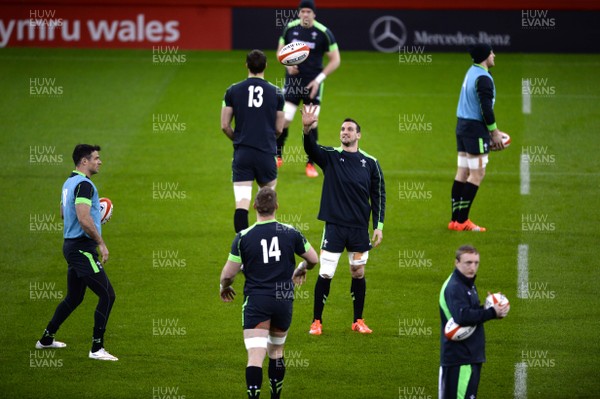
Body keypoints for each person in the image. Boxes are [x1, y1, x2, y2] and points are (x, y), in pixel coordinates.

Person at [220, 187, 318, 399]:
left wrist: (224, 286)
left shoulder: (243, 237)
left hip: (257, 299)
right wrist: (301, 269)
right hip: (283, 299)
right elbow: (313, 259)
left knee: (256, 356)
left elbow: (228, 274)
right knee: (276, 352)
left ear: (254, 206)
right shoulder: (290, 232)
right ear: (276, 207)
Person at [301, 104, 385, 335]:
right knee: (326, 273)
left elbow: (378, 195)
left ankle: (358, 320)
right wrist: (307, 131)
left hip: (359, 229)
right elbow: (311, 149)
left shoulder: (371, 163)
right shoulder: (330, 157)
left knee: (358, 273)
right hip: (335, 228)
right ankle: (316, 321)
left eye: (349, 129)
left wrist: (378, 226)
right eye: (342, 129)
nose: (345, 132)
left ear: (358, 135)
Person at [36, 144, 118, 361]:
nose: (100, 161)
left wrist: (93, 216)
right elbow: (82, 218)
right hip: (82, 249)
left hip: (70, 246)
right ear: (84, 161)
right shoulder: (84, 185)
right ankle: (96, 348)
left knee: (74, 297)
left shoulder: (68, 183)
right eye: (96, 158)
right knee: (107, 295)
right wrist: (100, 242)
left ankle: (46, 339)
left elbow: (64, 214)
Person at [221, 49, 285, 233]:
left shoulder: (232, 90)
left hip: (243, 154)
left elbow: (225, 125)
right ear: (266, 65)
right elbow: (279, 129)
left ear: (246, 65)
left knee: (242, 203)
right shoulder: (276, 93)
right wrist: (266, 140)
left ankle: (242, 253)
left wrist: (240, 140)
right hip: (266, 154)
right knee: (267, 204)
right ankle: (265, 246)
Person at [276, 0, 341, 178]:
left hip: (313, 85)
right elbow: (280, 52)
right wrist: (287, 65)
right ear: (299, 13)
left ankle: (310, 163)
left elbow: (335, 60)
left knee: (312, 123)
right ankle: (278, 154)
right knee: (285, 118)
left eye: (308, 12)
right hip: (293, 83)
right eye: (302, 11)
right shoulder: (290, 28)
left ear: (314, 14)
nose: (305, 14)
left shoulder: (323, 33)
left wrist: (318, 80)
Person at [449, 43, 508, 232]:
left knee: (463, 172)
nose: (494, 56)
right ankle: (463, 221)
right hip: (475, 129)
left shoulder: (471, 72)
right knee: (477, 174)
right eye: (492, 53)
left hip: (462, 126)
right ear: (485, 56)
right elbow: (486, 109)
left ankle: (454, 221)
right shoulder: (483, 78)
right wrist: (495, 133)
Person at [438, 245, 509, 398]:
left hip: (468, 356)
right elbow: (462, 317)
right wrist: (491, 312)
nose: (473, 267)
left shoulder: (466, 282)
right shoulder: (455, 287)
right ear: (456, 262)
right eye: (468, 262)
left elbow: (470, 311)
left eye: (476, 263)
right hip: (460, 360)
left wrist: (492, 309)